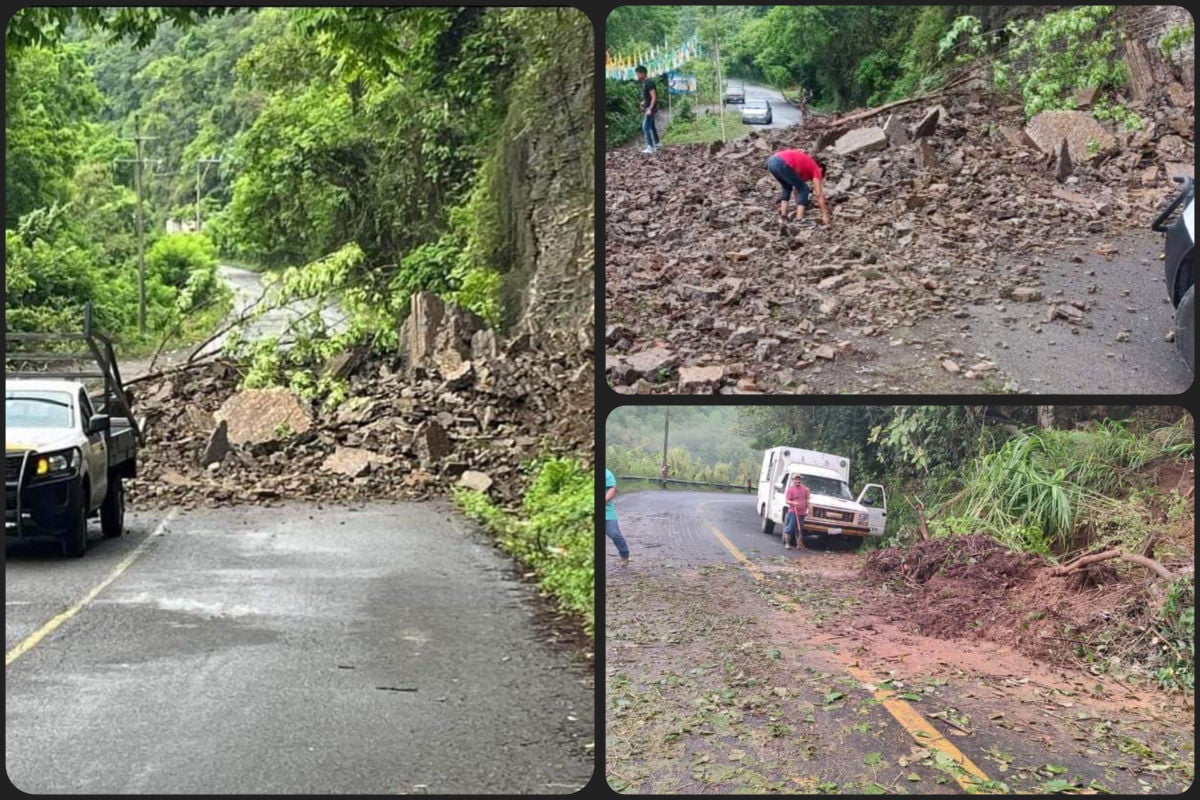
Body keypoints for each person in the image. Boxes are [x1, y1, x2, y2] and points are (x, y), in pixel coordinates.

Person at [766, 149, 830, 226]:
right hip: (781, 162)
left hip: (771, 161)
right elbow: (818, 194)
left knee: (787, 186)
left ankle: (783, 216)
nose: (812, 180)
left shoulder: (805, 166)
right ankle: (799, 219)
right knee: (804, 189)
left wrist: (799, 205)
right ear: (821, 169)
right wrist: (825, 215)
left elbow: (797, 189)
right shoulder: (817, 169)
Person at [605, 468, 630, 565]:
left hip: (607, 511)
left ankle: (624, 555)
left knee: (614, 534)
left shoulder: (607, 473)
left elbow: (613, 489)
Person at [635, 65, 659, 154]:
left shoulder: (649, 82)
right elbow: (648, 97)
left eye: (638, 74)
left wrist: (650, 108)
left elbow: (654, 96)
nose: (637, 76)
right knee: (652, 126)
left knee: (645, 126)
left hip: (650, 109)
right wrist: (643, 102)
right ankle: (657, 143)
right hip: (649, 107)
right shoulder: (646, 82)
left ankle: (650, 146)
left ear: (643, 73)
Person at [782, 473, 810, 550]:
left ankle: (799, 544)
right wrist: (793, 503)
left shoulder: (805, 489)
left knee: (799, 528)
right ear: (793, 480)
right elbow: (787, 501)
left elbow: (807, 500)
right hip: (793, 512)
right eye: (796, 479)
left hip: (802, 513)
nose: (797, 481)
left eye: (798, 479)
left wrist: (808, 509)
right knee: (790, 528)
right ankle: (787, 543)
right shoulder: (790, 490)